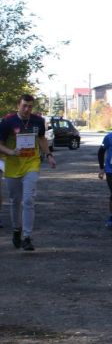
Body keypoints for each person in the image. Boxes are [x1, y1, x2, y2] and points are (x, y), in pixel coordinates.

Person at [0, 94, 56, 251]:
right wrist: (11, 152)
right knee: (15, 201)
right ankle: (16, 229)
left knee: (29, 200)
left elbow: (42, 139)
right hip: (12, 165)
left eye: (30, 106)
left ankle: (27, 237)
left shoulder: (38, 121)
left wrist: (49, 155)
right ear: (19, 104)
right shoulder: (7, 122)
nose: (27, 109)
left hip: (32, 164)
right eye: (24, 105)